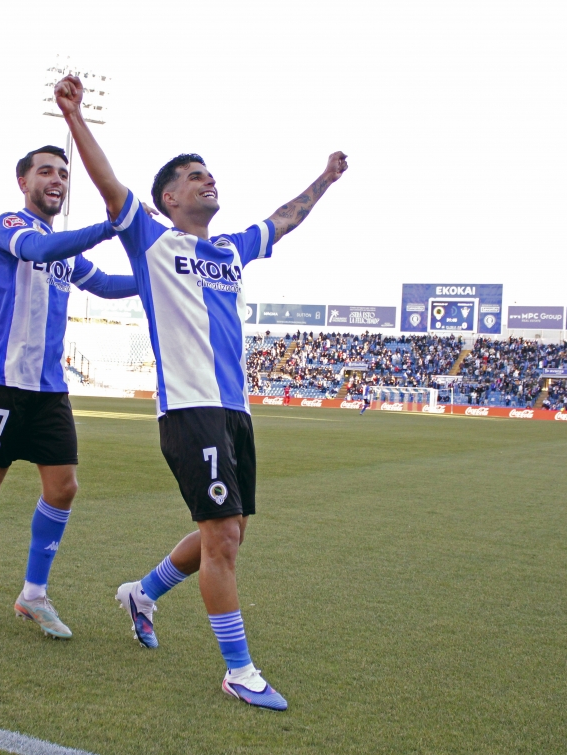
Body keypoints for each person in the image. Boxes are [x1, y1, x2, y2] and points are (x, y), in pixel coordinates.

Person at [56, 74, 347, 710]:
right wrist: (76, 120)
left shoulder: (231, 250)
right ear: (167, 196)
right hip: (190, 410)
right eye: (193, 176)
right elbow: (110, 187)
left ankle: (143, 592)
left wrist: (324, 180)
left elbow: (284, 220)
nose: (207, 180)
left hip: (234, 413)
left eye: (210, 173)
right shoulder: (151, 240)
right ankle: (239, 670)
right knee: (221, 540)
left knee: (231, 532)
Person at [0, 144, 139, 640]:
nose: (57, 179)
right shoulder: (9, 226)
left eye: (64, 174)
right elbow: (40, 251)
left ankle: (32, 595)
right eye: (46, 171)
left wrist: (160, 281)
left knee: (63, 487)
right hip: (1, 381)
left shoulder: (67, 252)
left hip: (48, 387)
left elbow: (106, 284)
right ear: (23, 182)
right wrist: (115, 224)